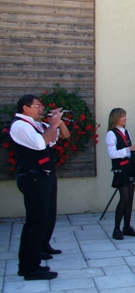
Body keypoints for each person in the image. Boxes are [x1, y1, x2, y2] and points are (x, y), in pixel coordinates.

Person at [10, 94, 69, 280]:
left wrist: (57, 122)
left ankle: (29, 264)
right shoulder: (20, 125)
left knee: (40, 221)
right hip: (33, 178)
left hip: (45, 177)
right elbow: (39, 143)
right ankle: (30, 268)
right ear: (25, 108)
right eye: (37, 106)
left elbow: (59, 138)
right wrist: (52, 124)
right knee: (36, 223)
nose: (41, 109)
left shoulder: (36, 125)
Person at [105, 108, 135, 240]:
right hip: (121, 170)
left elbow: (129, 152)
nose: (125, 118)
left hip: (130, 168)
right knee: (124, 198)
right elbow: (112, 154)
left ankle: (127, 227)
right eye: (122, 116)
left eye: (125, 116)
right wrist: (128, 149)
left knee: (130, 199)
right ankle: (116, 229)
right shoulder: (111, 133)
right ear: (115, 118)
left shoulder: (126, 132)